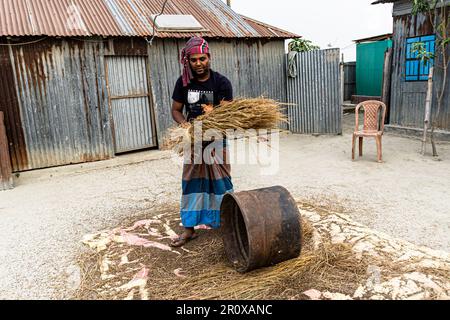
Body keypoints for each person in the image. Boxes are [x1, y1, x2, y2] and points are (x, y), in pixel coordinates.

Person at [170, 36, 233, 247]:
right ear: (187, 61)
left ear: (209, 58)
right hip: (193, 141)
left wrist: (213, 118)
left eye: (202, 59)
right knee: (191, 183)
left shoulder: (222, 83)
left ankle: (227, 223)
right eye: (194, 60)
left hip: (216, 140)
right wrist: (186, 127)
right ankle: (189, 228)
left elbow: (229, 114)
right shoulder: (184, 83)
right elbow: (176, 110)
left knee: (221, 181)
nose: (198, 63)